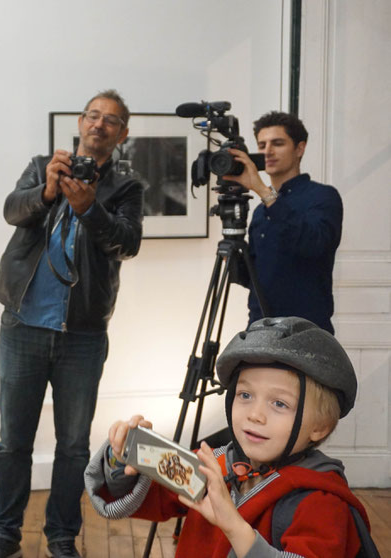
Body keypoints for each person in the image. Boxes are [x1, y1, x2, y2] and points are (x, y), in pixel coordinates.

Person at [0, 90, 144, 558]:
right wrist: (48, 191)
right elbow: (13, 210)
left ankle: (61, 536)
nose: (99, 125)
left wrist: (90, 209)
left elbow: (127, 244)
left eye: (111, 121)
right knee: (14, 441)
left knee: (73, 446)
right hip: (23, 324)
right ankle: (4, 534)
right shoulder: (41, 166)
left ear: (122, 134)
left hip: (83, 334)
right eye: (93, 116)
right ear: (79, 122)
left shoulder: (127, 188)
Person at [85, 316, 371, 557]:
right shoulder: (216, 466)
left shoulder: (320, 501)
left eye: (279, 404)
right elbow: (144, 497)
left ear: (319, 427)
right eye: (245, 395)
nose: (255, 415)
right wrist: (122, 457)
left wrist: (233, 525)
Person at [226, 112, 343, 335]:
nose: (267, 151)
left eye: (277, 143)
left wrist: (263, 191)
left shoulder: (322, 196)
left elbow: (313, 245)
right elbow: (257, 277)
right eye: (262, 145)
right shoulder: (262, 210)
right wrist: (232, 252)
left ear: (300, 148)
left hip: (306, 330)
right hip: (260, 328)